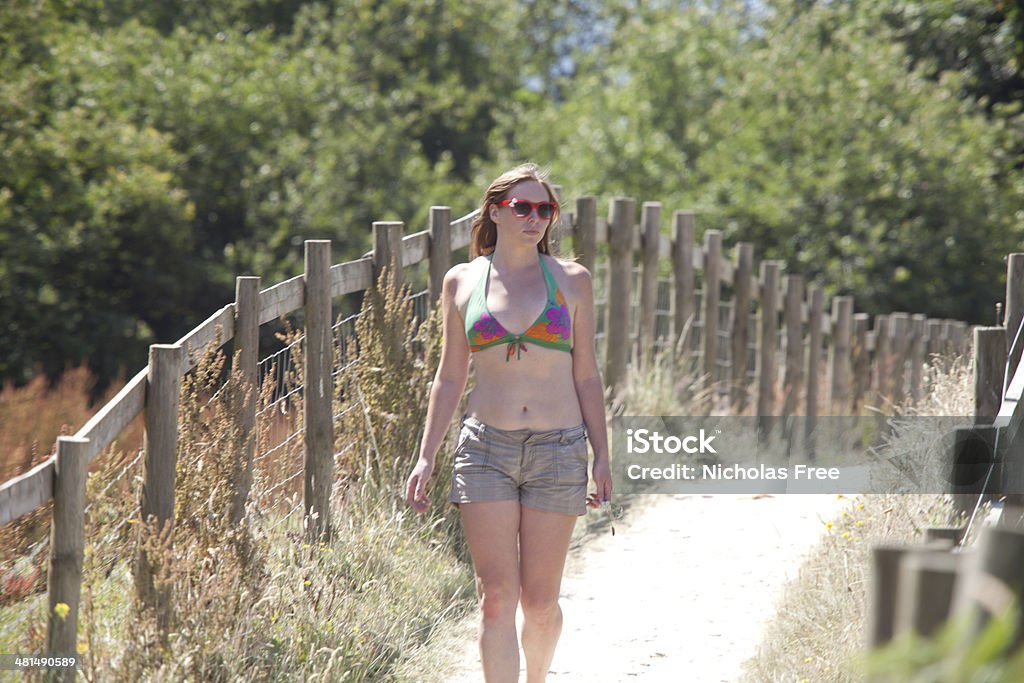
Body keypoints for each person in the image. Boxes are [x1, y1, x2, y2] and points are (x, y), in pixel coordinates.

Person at [405, 163, 613, 682]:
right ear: (495, 212)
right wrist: (426, 455)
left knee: (539, 603)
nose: (535, 218)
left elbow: (586, 375)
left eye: (545, 209)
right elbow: (449, 378)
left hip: (559, 448)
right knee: (496, 599)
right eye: (522, 207)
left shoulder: (573, 280)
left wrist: (602, 454)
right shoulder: (462, 280)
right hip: (484, 450)